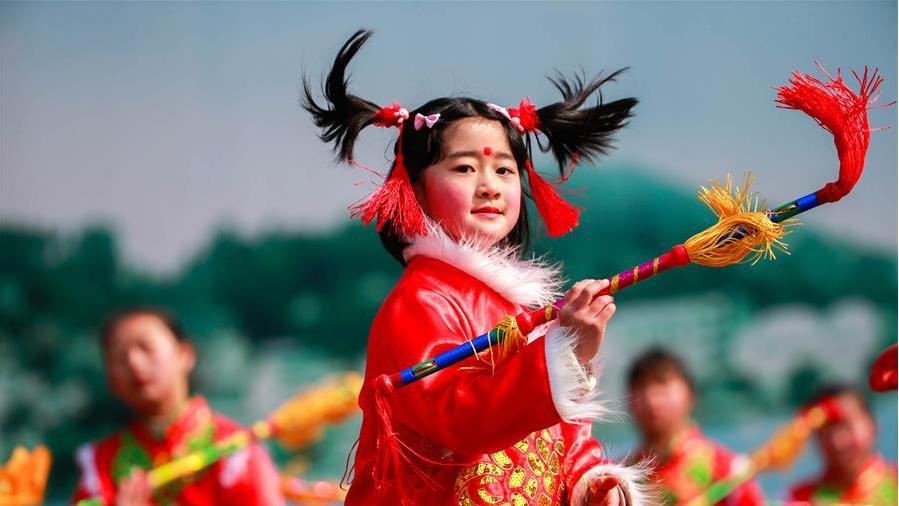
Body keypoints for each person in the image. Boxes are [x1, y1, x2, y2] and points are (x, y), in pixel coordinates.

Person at [304, 29, 645, 505]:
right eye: (465, 169)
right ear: (414, 189)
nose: (490, 185)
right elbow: (459, 419)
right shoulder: (420, 303)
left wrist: (592, 483)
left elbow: (565, 440)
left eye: (504, 170)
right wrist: (559, 356)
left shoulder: (518, 308)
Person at [71, 307, 283, 506]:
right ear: (110, 377)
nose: (134, 362)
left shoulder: (236, 453)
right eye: (119, 356)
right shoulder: (99, 465)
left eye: (145, 347)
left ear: (185, 354)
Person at [626, 348, 764, 506]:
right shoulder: (622, 481)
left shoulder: (729, 472)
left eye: (662, 383)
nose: (652, 398)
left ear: (690, 394)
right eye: (640, 387)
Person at [789, 384, 897, 505]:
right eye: (827, 431)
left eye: (847, 426)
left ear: (873, 426)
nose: (838, 442)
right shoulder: (800, 499)